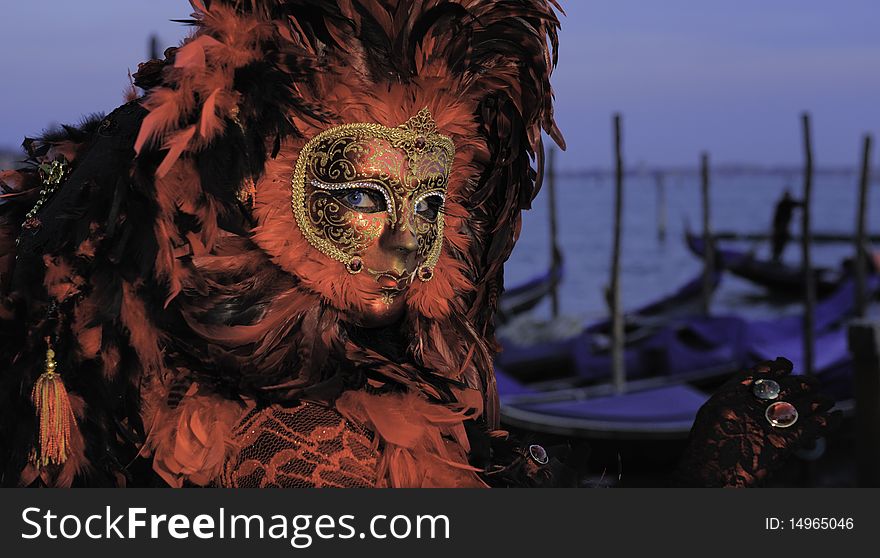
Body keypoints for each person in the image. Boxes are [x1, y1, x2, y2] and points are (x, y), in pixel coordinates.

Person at [0, 0, 836, 488]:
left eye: (430, 201)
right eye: (363, 195)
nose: (411, 244)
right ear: (252, 185)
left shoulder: (287, 358)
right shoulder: (291, 450)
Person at [771, 188, 803, 262]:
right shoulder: (782, 204)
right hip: (779, 229)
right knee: (777, 245)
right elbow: (775, 218)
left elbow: (799, 204)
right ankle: (775, 259)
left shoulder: (788, 203)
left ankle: (778, 260)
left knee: (782, 244)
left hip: (784, 228)